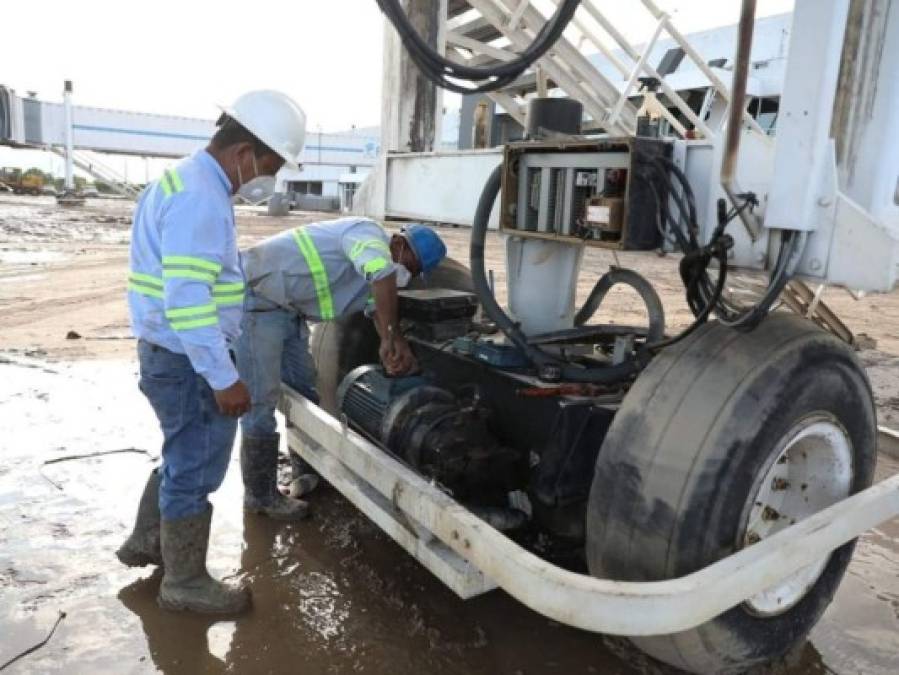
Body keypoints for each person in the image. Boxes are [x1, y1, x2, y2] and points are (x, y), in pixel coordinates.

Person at [115, 90, 307, 616]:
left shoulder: (183, 180)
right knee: (197, 465)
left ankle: (148, 541)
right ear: (245, 149)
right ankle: (185, 583)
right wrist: (225, 378)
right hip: (186, 358)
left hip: (168, 351)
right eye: (271, 163)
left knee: (181, 452)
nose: (268, 176)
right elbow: (188, 299)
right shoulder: (201, 195)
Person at [235, 220, 447, 520]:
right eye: (411, 266)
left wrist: (395, 343)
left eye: (414, 273)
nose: (408, 276)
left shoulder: (374, 274)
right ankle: (261, 496)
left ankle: (306, 469)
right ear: (399, 244)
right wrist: (388, 335)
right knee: (261, 399)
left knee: (304, 391)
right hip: (259, 301)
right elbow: (382, 274)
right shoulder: (367, 235)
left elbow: (377, 309)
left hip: (290, 312)